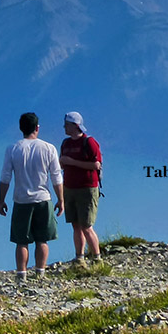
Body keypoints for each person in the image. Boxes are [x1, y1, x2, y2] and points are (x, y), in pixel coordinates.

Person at [0, 112, 64, 280]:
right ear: (37, 128)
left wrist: (1, 199)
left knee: (22, 241)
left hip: (21, 200)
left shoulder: (13, 149)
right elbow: (56, 176)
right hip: (43, 198)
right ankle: (40, 272)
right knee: (42, 240)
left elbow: (6, 176)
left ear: (21, 128)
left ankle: (22, 274)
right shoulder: (49, 148)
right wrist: (61, 199)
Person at [60, 111, 102, 262]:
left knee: (86, 225)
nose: (64, 127)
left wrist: (71, 162)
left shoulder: (89, 142)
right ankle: (79, 257)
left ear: (75, 126)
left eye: (67, 125)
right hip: (70, 187)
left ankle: (96, 257)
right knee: (75, 225)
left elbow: (96, 165)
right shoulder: (65, 143)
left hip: (87, 188)